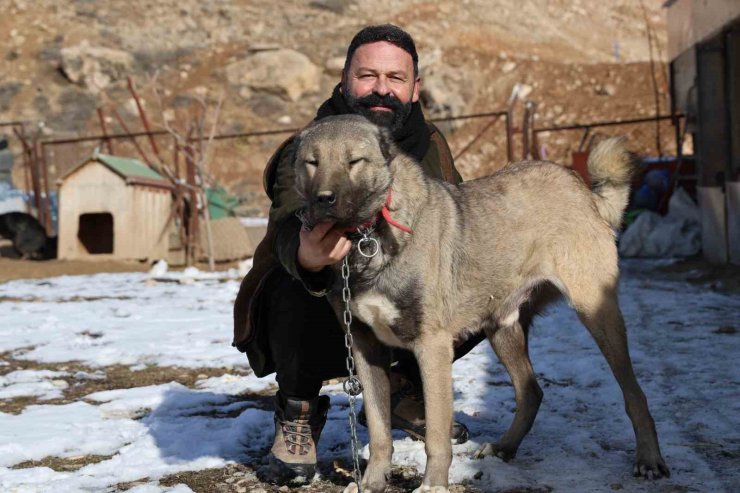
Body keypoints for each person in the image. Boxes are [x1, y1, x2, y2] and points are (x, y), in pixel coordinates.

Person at [233, 24, 484, 483]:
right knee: (300, 283)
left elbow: (460, 223)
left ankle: (400, 382)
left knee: (470, 285)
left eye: (395, 78)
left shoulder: (431, 146)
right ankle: (298, 407)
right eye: (368, 76)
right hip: (319, 316)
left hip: (400, 304)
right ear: (346, 79)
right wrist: (306, 255)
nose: (381, 89)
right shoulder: (309, 145)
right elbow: (286, 222)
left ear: (414, 87)